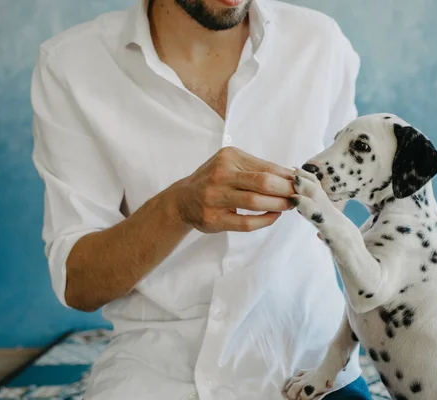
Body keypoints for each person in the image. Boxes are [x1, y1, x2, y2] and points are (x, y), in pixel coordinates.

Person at [31, 0, 369, 399]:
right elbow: (80, 286)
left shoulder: (320, 44)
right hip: (154, 374)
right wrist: (177, 208)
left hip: (314, 369)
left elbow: (339, 209)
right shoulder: (72, 65)